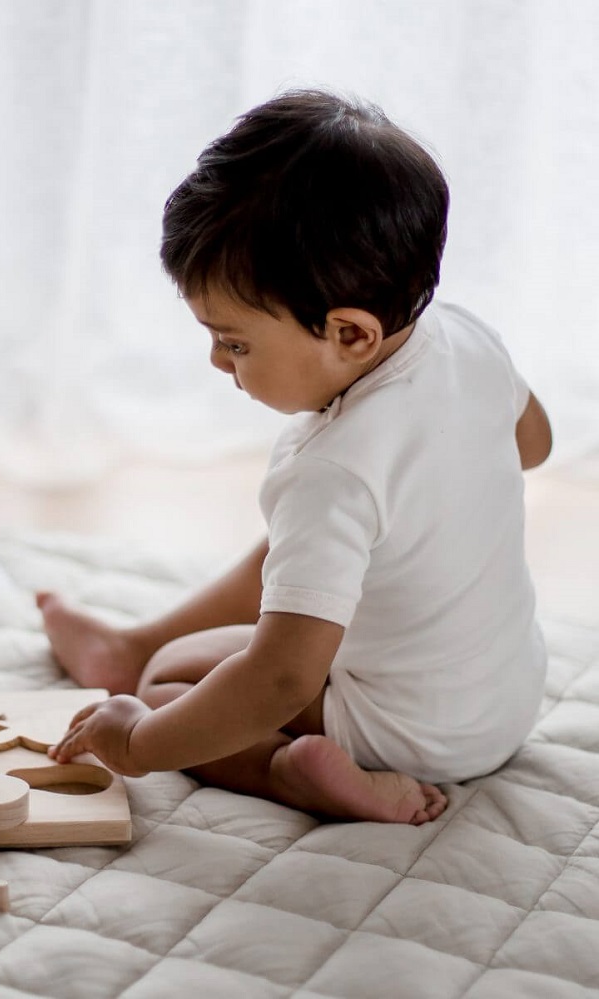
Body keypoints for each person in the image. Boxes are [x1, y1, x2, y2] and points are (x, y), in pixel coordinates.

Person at [38, 89, 553, 825]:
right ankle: (130, 642)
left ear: (349, 334)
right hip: (504, 697)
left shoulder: (329, 469)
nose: (218, 362)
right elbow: (533, 445)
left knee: (167, 689)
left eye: (234, 341)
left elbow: (280, 679)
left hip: (406, 731)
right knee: (313, 547)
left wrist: (138, 745)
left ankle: (289, 772)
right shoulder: (465, 338)